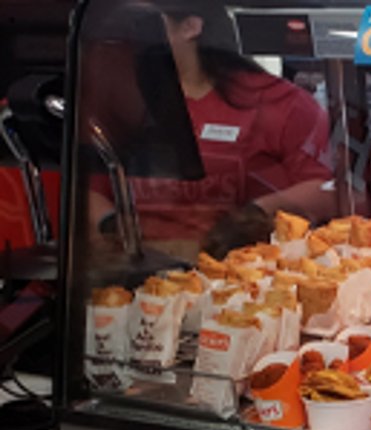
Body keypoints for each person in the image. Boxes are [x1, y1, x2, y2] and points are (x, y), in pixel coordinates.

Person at [89, 0, 334, 260]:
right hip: (136, 273)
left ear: (190, 27)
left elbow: (327, 189)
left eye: (143, 24)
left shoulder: (278, 103)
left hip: (241, 275)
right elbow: (89, 186)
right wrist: (111, 225)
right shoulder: (123, 98)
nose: (130, 37)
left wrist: (256, 214)